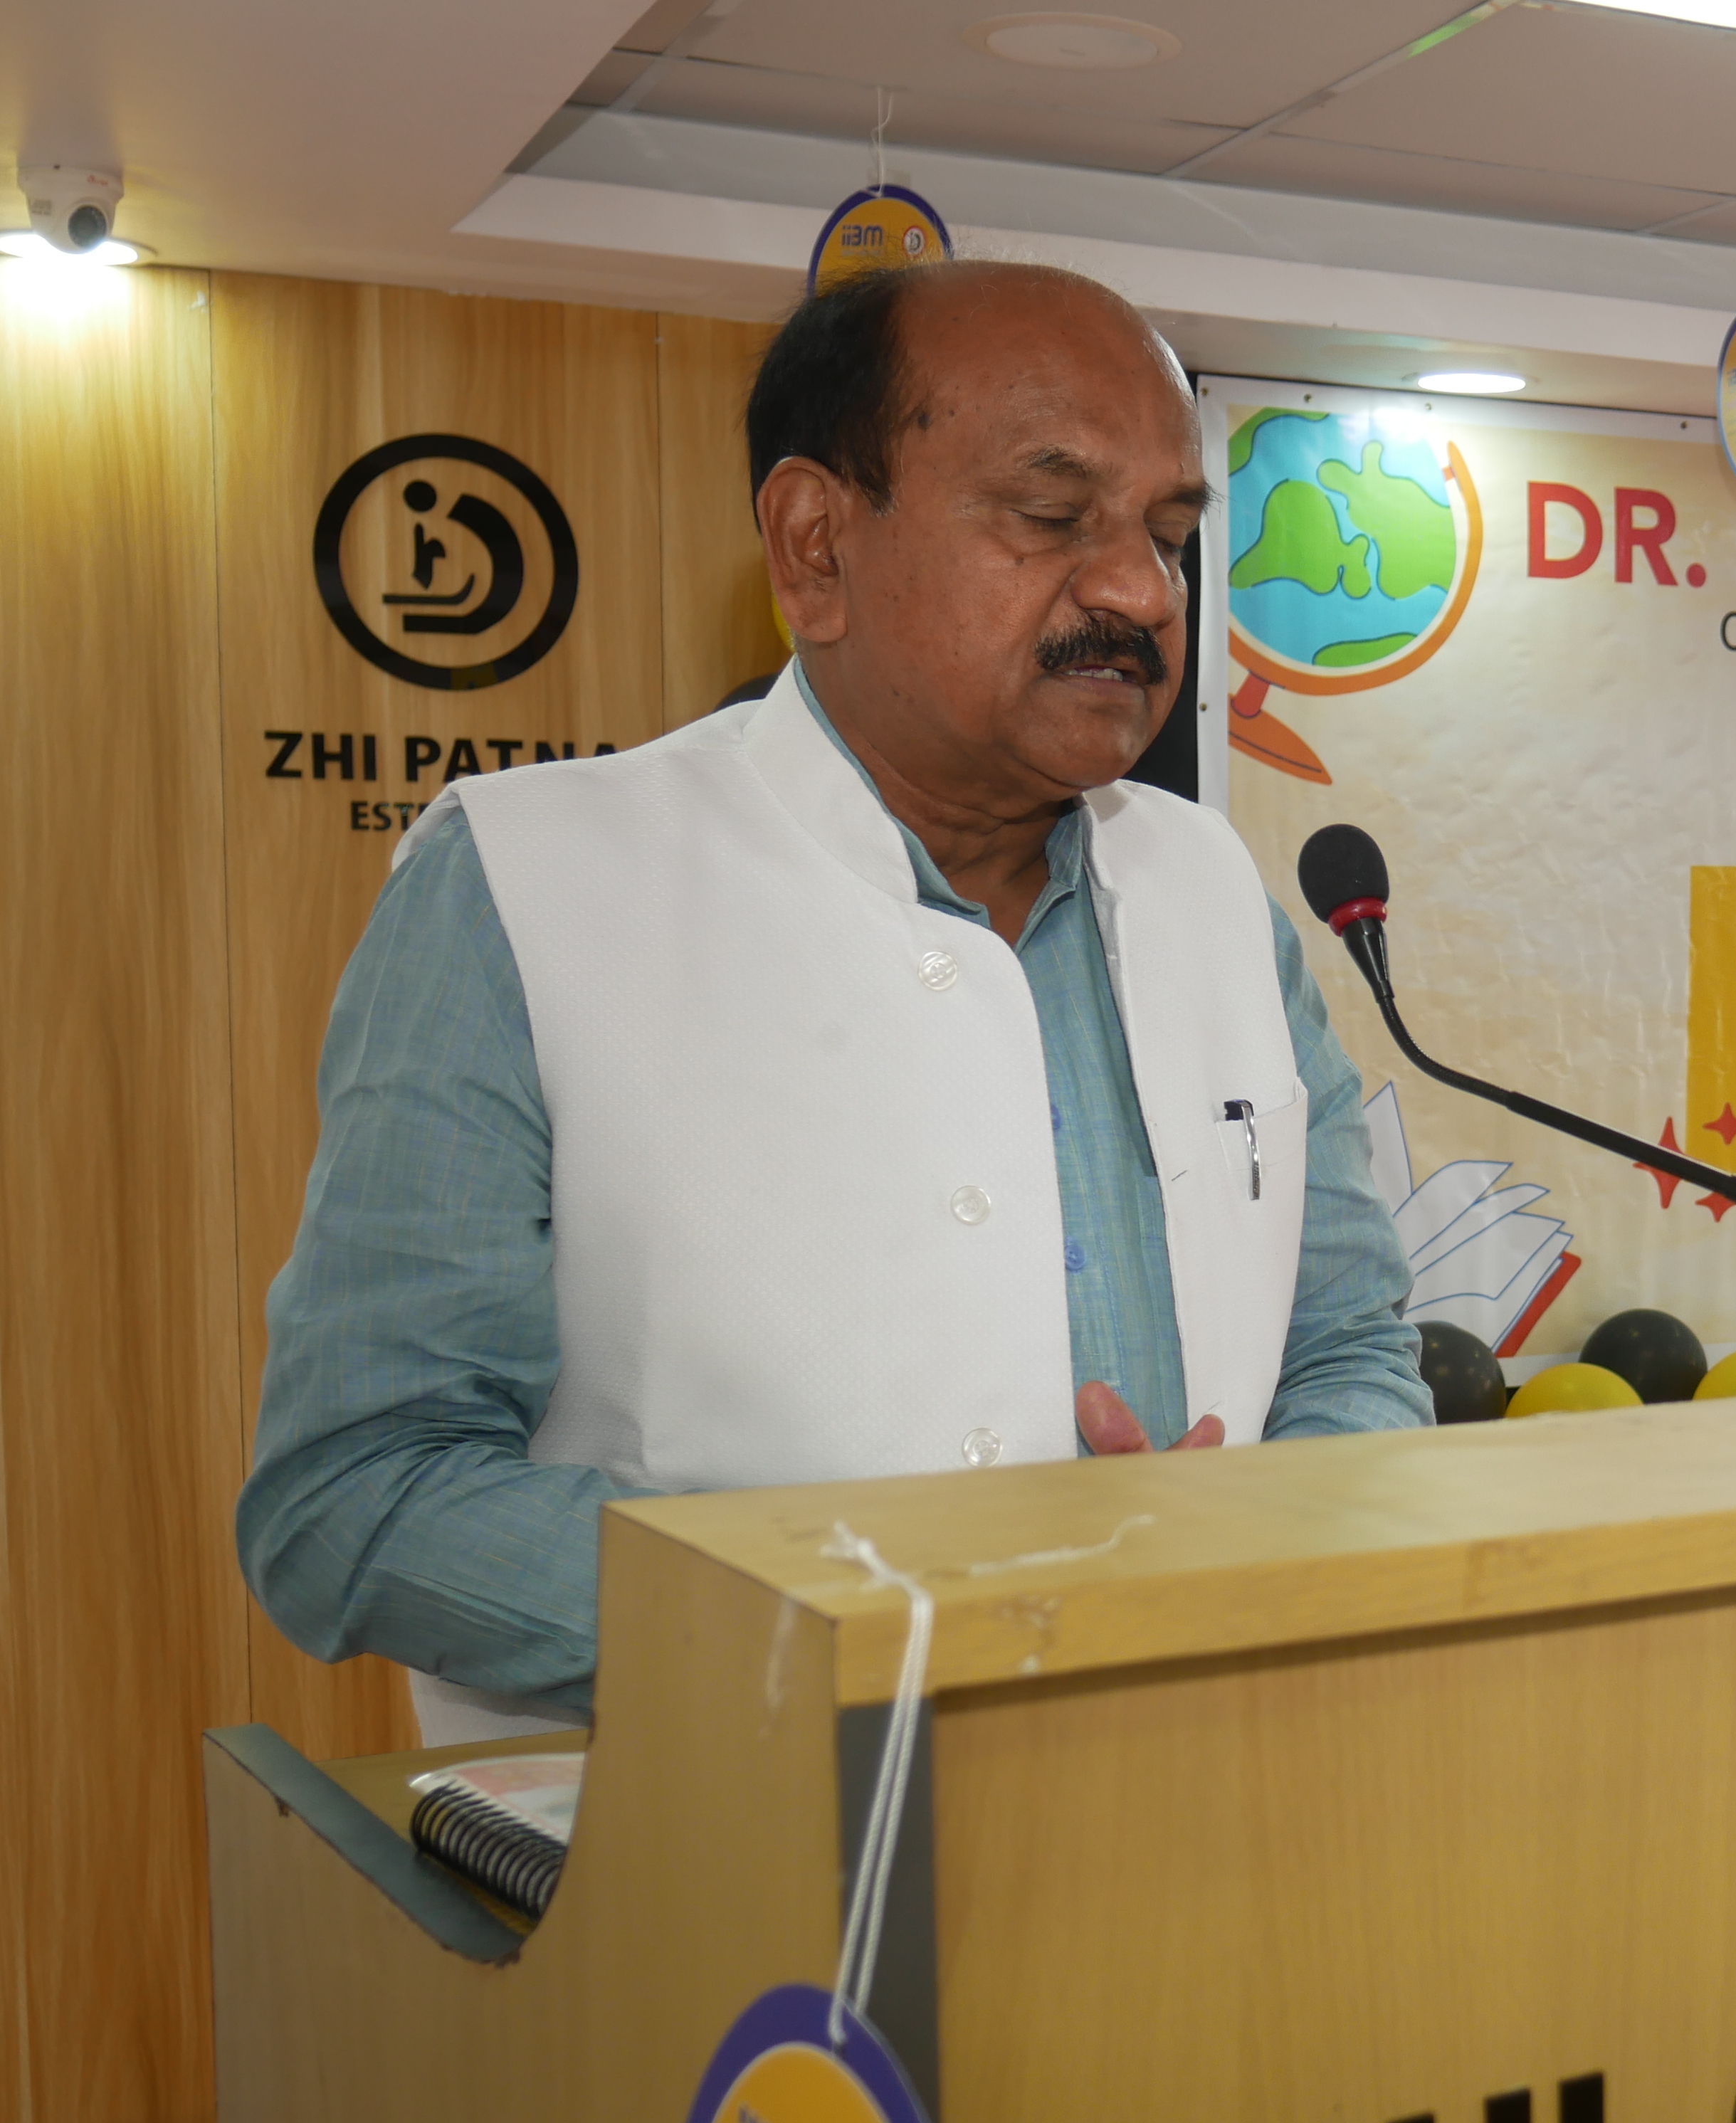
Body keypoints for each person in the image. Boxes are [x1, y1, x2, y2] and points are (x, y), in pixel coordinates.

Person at [238, 260, 1430, 1742]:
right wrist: (878, 1613)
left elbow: (1348, 1350)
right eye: (1050, 515)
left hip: (1190, 1794)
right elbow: (357, 1496)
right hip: (718, 1841)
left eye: (1170, 536)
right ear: (815, 547)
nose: (1140, 591)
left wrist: (1254, 1555)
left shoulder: (1212, 890)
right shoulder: (521, 885)